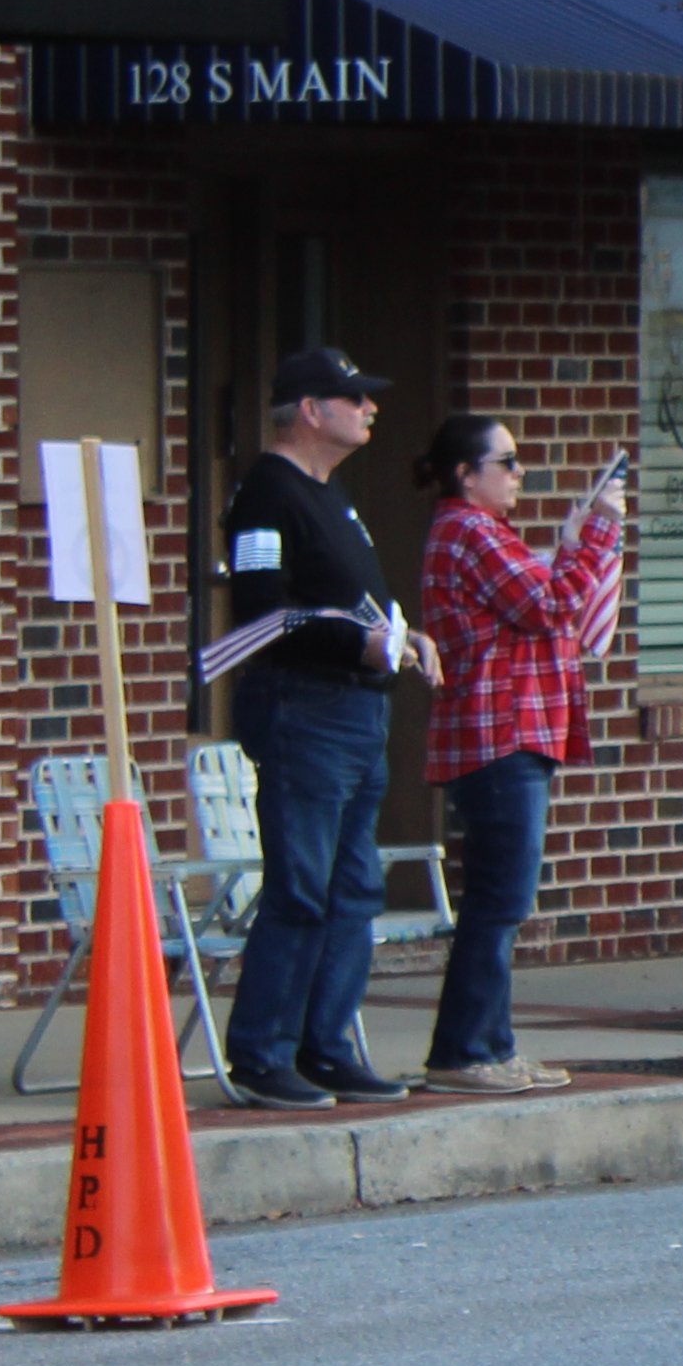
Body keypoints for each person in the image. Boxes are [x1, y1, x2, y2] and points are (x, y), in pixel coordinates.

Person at [216, 346, 445, 1110]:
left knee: (355, 890)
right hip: (303, 708)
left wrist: (402, 641)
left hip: (357, 708)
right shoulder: (267, 495)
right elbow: (260, 614)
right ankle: (261, 1054)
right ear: (311, 410)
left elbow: (354, 604)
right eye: (356, 398)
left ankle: (327, 1045)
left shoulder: (332, 495)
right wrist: (355, 642)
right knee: (303, 888)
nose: (371, 409)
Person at [410, 413, 626, 1095]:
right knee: (499, 901)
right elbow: (553, 603)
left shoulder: (482, 534)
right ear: (465, 475)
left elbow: (542, 601)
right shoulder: (469, 532)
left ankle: (491, 1047)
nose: (519, 472)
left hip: (510, 735)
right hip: (497, 736)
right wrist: (597, 531)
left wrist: (569, 542)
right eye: (506, 461)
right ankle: (464, 1052)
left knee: (502, 901)